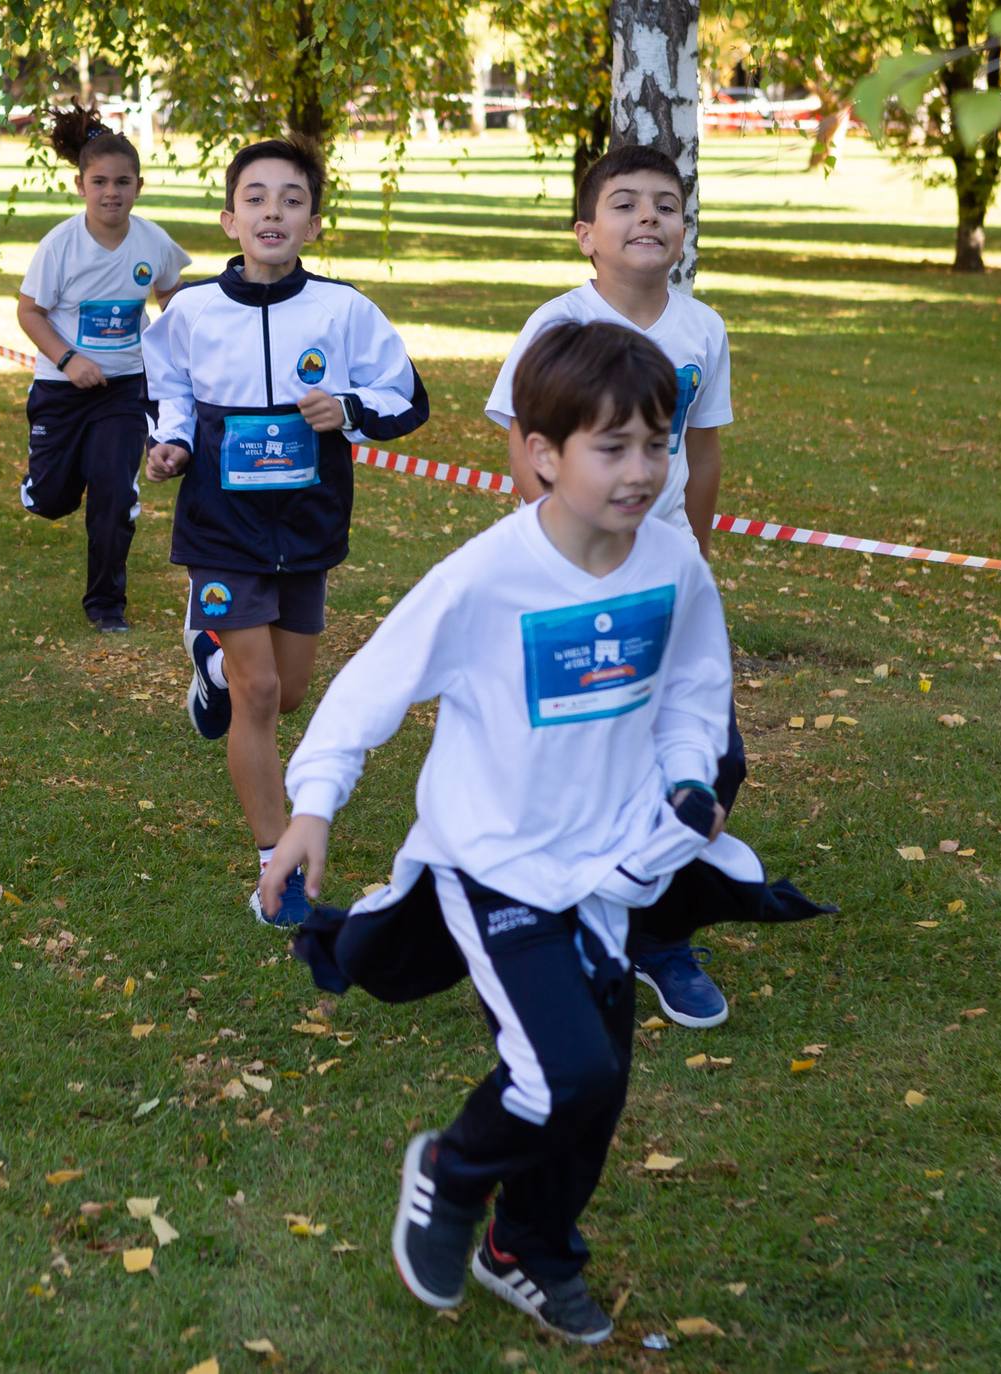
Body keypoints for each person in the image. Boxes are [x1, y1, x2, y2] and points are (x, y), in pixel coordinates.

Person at [261, 322, 732, 1342]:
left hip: (609, 867)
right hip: (494, 862)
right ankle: (449, 1172)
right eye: (613, 448)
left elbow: (696, 688)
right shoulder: (485, 578)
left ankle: (526, 1249)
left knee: (597, 1095)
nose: (643, 471)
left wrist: (691, 778)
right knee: (564, 1075)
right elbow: (363, 694)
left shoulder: (674, 565)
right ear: (539, 452)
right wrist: (313, 809)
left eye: (657, 444)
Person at [480, 143, 741, 1031]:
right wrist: (566, 537)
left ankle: (662, 935)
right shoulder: (556, 324)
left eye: (665, 205)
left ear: (684, 227)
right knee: (576, 746)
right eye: (624, 205)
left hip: (665, 575)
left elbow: (701, 452)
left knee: (710, 755)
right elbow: (522, 436)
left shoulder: (703, 330)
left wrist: (691, 555)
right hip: (571, 571)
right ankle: (556, 915)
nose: (648, 219)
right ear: (586, 234)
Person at [140, 137, 427, 928]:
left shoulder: (343, 310)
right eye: (257, 198)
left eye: (292, 199)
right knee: (258, 694)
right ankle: (277, 870)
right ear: (230, 218)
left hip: (306, 525)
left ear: (314, 224)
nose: (273, 211)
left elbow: (407, 398)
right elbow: (164, 390)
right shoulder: (192, 310)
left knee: (288, 690)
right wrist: (169, 445)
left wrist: (351, 411)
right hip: (220, 525)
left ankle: (210, 663)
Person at [15, 103, 190, 634]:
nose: (111, 192)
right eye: (100, 182)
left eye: (122, 182)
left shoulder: (153, 243)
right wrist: (69, 360)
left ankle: (106, 604)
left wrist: (179, 353)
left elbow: (171, 301)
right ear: (80, 185)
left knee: (114, 494)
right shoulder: (60, 246)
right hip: (61, 389)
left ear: (140, 185)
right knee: (51, 500)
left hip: (124, 391)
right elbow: (29, 311)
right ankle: (41, 486)